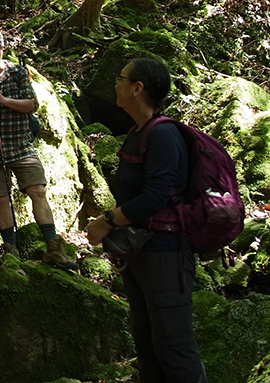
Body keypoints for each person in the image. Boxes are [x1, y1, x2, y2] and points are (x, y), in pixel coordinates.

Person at [85, 57, 208, 383]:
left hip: (167, 253)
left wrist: (106, 222)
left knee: (174, 346)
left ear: (137, 88)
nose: (115, 83)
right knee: (148, 345)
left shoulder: (164, 135)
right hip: (141, 252)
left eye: (120, 78)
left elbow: (155, 197)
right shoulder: (137, 133)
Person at [0, 29, 75, 269]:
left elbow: (32, 104)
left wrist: (2, 100)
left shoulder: (18, 72)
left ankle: (53, 248)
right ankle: (11, 250)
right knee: (1, 200)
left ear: (2, 48)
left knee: (38, 192)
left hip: (21, 146)